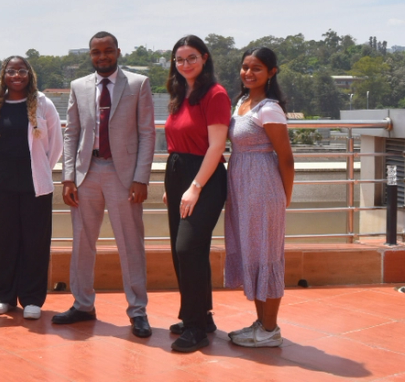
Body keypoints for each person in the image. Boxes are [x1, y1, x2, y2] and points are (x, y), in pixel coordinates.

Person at [54, 32, 155, 338]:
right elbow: (71, 133)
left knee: (130, 244)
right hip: (87, 173)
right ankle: (83, 304)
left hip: (123, 176)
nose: (102, 57)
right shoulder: (79, 86)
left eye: (107, 51)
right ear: (90, 55)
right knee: (82, 242)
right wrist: (68, 177)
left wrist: (141, 178)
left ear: (118, 52)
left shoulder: (138, 84)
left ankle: (137, 311)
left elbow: (147, 133)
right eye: (96, 52)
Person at [0, 56, 62, 320]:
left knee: (35, 242)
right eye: (11, 71)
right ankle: (3, 295)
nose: (17, 75)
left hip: (35, 185)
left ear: (29, 74)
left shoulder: (44, 104)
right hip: (2, 183)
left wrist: (41, 169)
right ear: (4, 75)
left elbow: (56, 145)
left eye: (22, 70)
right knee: (4, 241)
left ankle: (32, 298)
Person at [163, 35, 230, 352]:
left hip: (204, 177)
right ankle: (201, 316)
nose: (185, 64)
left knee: (188, 248)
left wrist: (194, 187)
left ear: (204, 58)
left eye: (191, 58)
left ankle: (195, 329)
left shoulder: (215, 94)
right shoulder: (179, 93)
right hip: (178, 174)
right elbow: (176, 140)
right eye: (179, 59)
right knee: (185, 250)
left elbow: (216, 147)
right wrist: (174, 186)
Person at [225, 47, 295, 348]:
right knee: (253, 253)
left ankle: (270, 329)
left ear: (271, 72)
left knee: (267, 254)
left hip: (263, 188)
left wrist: (284, 197)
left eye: (256, 68)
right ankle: (261, 322)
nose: (248, 73)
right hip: (241, 189)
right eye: (245, 67)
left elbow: (286, 158)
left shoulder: (269, 109)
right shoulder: (241, 103)